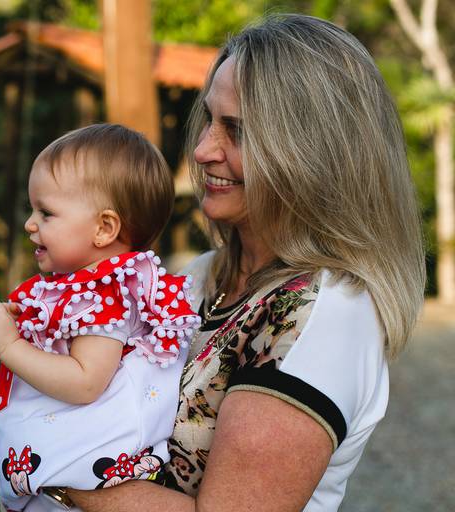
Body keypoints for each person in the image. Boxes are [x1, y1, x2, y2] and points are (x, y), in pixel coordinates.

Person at [63, 14, 426, 512]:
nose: (202, 150)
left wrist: (49, 468)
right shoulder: (199, 276)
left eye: (235, 130)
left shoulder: (324, 315)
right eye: (209, 120)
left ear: (313, 152)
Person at [0, 123, 201, 511]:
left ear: (104, 228)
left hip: (84, 484)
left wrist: (11, 346)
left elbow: (84, 383)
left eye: (46, 213)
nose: (30, 223)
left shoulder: (106, 295)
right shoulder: (84, 289)